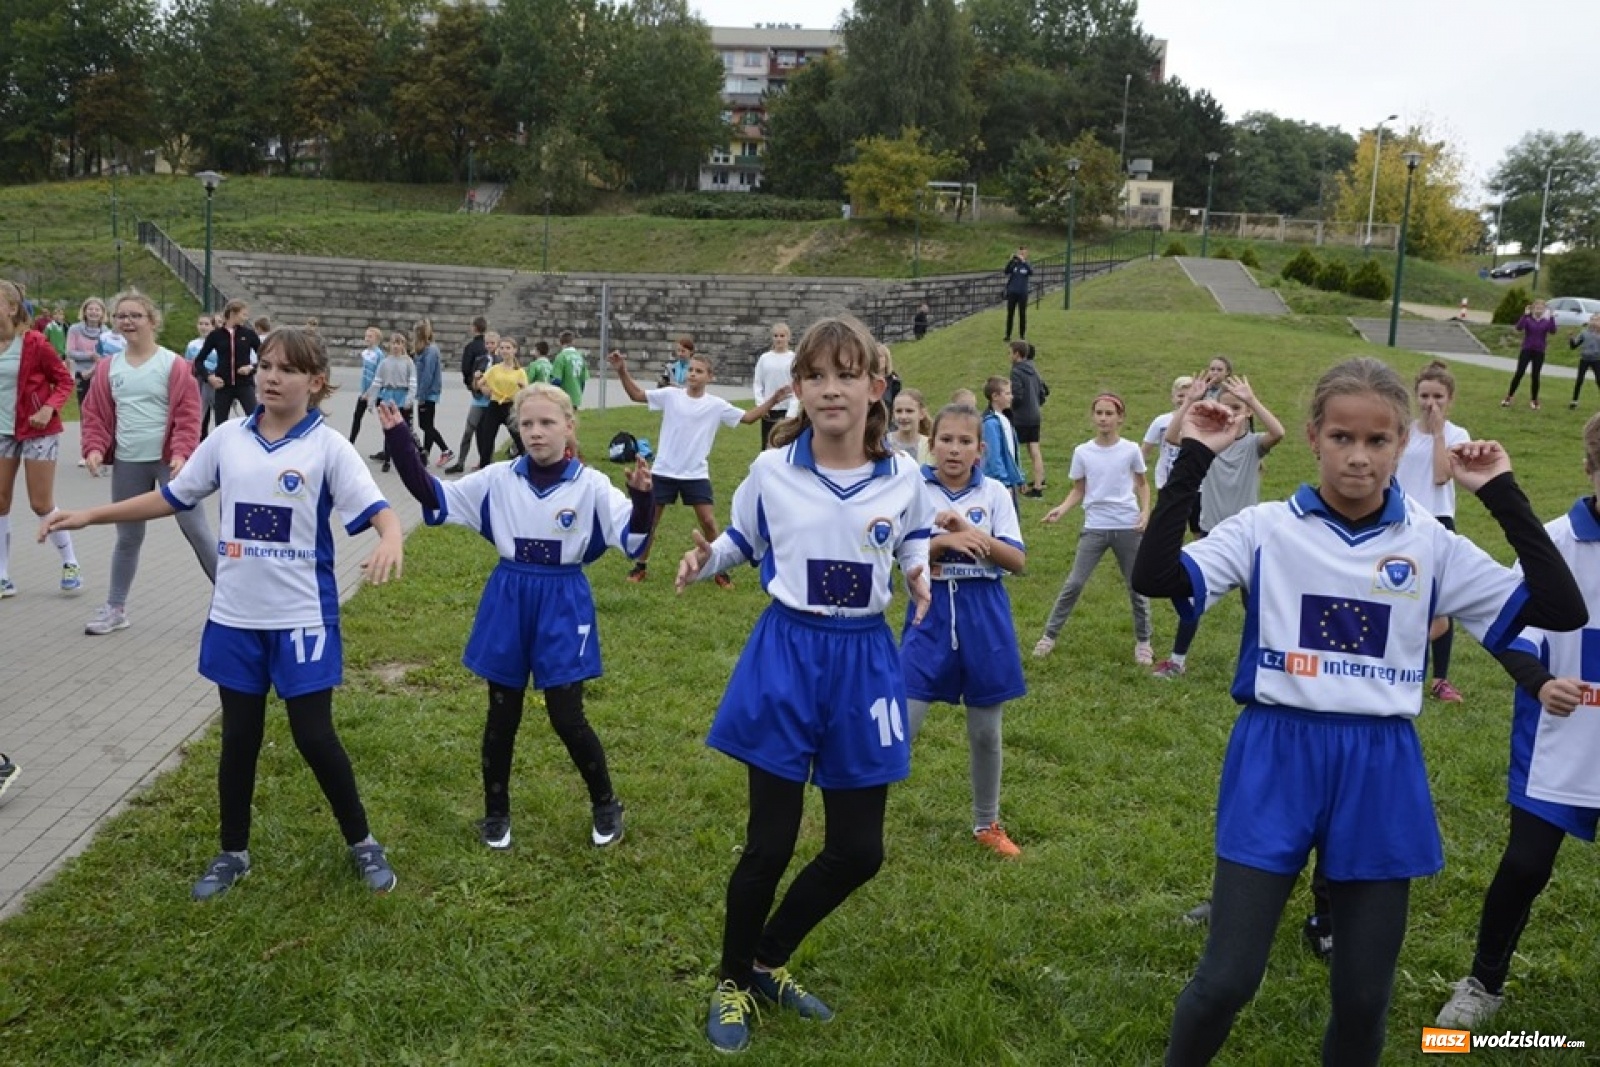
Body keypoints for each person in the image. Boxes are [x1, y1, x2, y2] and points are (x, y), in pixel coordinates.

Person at [1130, 355, 1585, 1067]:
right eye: (1343, 437)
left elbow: (1561, 609)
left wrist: (1500, 492)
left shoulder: (1430, 544)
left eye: (1378, 441)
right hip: (1276, 754)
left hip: (1380, 764)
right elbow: (1155, 575)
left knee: (1365, 996)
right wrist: (1192, 454)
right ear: (1313, 435)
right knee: (1226, 980)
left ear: (1402, 444)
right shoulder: (1264, 528)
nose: (1359, 457)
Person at [42, 326, 407, 900]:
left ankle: (362, 842)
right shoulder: (229, 438)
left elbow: (379, 511)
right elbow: (171, 497)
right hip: (235, 619)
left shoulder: (328, 447)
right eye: (265, 365)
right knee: (240, 736)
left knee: (315, 737)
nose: (269, 376)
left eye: (286, 369)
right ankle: (232, 852)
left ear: (314, 382)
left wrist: (391, 539)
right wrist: (90, 517)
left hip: (301, 621)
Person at [676, 315, 933, 1054]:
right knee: (770, 842)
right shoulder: (772, 472)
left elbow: (912, 534)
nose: (830, 389)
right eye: (815, 376)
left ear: (875, 387)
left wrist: (916, 567)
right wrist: (706, 560)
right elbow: (742, 540)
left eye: (846, 375)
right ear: (797, 388)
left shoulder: (903, 474)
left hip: (863, 658)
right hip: (787, 654)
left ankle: (765, 958)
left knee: (860, 850)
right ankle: (732, 977)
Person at [375, 383, 652, 851]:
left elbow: (634, 541)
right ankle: (495, 812)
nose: (536, 432)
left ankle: (606, 803)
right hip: (509, 596)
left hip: (563, 600)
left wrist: (643, 499)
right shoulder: (498, 479)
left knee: (568, 717)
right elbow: (432, 493)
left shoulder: (591, 486)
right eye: (527, 424)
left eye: (547, 423)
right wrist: (402, 441)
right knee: (502, 715)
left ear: (569, 426)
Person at [1435, 411, 1600, 1030]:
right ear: (1589, 469)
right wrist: (1540, 681)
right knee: (1526, 865)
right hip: (1562, 737)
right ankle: (1483, 982)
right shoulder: (1556, 541)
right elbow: (1507, 628)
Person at [901, 401, 1027, 858]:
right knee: (902, 723)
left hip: (984, 614)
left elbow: (1016, 560)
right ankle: (860, 816)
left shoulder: (994, 492)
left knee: (986, 732)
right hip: (928, 613)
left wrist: (977, 538)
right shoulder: (913, 486)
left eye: (965, 441)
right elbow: (895, 548)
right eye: (946, 440)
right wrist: (942, 541)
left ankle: (986, 822)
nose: (954, 449)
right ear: (932, 444)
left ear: (980, 449)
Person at [78, 290, 217, 635]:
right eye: (121, 316)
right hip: (128, 462)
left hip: (170, 463)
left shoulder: (173, 364)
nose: (128, 321)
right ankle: (115, 608)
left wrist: (183, 454)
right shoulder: (109, 367)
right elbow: (93, 413)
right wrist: (94, 448)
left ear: (152, 321)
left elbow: (189, 414)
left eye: (135, 315)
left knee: (197, 531)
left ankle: (236, 603)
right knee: (127, 538)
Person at [606, 348, 790, 585]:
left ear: (709, 377)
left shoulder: (716, 405)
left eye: (699, 371)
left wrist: (773, 400)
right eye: (691, 370)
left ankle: (719, 569)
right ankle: (640, 566)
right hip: (663, 470)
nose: (693, 374)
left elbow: (749, 418)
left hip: (695, 474)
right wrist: (622, 371)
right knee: (651, 521)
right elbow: (636, 395)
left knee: (709, 523)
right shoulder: (671, 395)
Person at [1150, 375, 1285, 679]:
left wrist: (1251, 400)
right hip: (1212, 535)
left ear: (1247, 412)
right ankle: (1177, 661)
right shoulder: (1209, 443)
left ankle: (1265, 668)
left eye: (1237, 408)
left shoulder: (1252, 445)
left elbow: (1278, 432)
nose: (1231, 413)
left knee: (1258, 607)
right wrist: (1189, 402)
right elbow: (1172, 437)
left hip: (1250, 540)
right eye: (1226, 407)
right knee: (1193, 600)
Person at [1033, 393, 1152, 664]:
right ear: (1092, 416)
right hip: (1095, 526)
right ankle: (1049, 636)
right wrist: (1061, 510)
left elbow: (1143, 485)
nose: (1104, 418)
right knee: (1074, 582)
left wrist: (1145, 513)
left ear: (1120, 417)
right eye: (1099, 413)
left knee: (1137, 586)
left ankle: (1144, 641)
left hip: (1127, 525)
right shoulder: (1083, 452)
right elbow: (1079, 489)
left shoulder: (1131, 450)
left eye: (1109, 413)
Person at [1395, 361, 1471, 702]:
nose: (1430, 403)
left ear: (1450, 398)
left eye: (1438, 396)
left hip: (1438, 521)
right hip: (1402, 521)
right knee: (1400, 596)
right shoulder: (1404, 432)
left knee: (1441, 604)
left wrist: (1439, 432)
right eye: (1424, 396)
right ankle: (1402, 668)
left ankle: (1439, 679)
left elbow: (1442, 476)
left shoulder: (1457, 435)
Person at [0, 279, 81, 598]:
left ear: (10, 307)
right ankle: (3, 574)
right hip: (2, 430)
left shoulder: (33, 342)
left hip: (37, 429)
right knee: (0, 501)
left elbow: (63, 381)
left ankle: (70, 562)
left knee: (40, 503)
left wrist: (48, 408)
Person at [196, 300, 261, 431]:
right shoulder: (215, 335)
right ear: (233, 313)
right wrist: (209, 378)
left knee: (255, 420)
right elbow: (199, 361)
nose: (246, 318)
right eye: (243, 314)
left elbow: (266, 358)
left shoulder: (248, 334)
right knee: (221, 425)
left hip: (245, 384)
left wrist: (251, 368)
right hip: (223, 386)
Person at [363, 332, 417, 474]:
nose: (395, 346)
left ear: (403, 345)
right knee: (389, 430)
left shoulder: (408, 362)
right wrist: (371, 401)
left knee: (405, 431)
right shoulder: (385, 362)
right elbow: (377, 382)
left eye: (398, 343)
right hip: (388, 396)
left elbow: (412, 383)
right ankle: (387, 459)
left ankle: (407, 460)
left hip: (402, 396)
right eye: (393, 343)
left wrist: (409, 399)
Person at [447, 329, 497, 474]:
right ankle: (460, 462)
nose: (489, 346)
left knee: (487, 435)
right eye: (487, 343)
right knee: (468, 431)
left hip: (492, 401)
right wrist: (476, 382)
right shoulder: (480, 360)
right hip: (478, 400)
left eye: (492, 343)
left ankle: (487, 463)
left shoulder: (499, 361)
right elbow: (472, 380)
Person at [1142, 375, 1194, 496]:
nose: (1184, 400)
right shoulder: (1161, 421)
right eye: (1180, 396)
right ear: (1173, 398)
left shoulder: (1202, 422)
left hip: (1195, 485)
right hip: (1166, 482)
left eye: (1188, 396)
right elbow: (1144, 450)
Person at [1008, 340, 1049, 496]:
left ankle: (1018, 483)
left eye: (1010, 353)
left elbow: (1017, 396)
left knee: (1013, 450)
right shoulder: (1033, 369)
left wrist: (1010, 407)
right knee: (1034, 449)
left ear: (1017, 354)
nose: (1009, 356)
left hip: (1021, 417)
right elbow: (1044, 391)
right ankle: (1039, 483)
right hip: (1035, 415)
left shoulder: (1016, 371)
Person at [411, 318, 452, 468]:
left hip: (428, 393)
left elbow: (428, 374)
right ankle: (425, 454)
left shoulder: (431, 351)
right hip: (426, 392)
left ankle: (445, 449)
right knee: (427, 424)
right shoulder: (423, 350)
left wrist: (421, 396)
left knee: (425, 425)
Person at [478, 335, 526, 463]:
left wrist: (521, 390)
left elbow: (526, 390)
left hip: (510, 406)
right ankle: (484, 466)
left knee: (519, 437)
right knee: (487, 439)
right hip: (495, 405)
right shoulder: (495, 369)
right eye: (502, 348)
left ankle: (527, 463)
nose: (505, 351)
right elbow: (481, 382)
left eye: (508, 348)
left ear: (514, 350)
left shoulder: (519, 371)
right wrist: (485, 390)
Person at [1504, 300, 1559, 410]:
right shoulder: (1528, 320)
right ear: (1533, 308)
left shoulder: (1546, 321)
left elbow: (1553, 331)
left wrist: (1552, 317)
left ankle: (1534, 400)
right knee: (1519, 373)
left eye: (1541, 307)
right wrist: (1525, 314)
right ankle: (1509, 397)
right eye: (1536, 307)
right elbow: (1519, 327)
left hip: (1539, 351)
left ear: (1544, 310)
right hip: (1527, 350)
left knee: (1535, 376)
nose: (1539, 309)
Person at [980, 376, 1025, 508]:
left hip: (1011, 481)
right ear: (995, 396)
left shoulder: (1005, 419)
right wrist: (1004, 483)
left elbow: (1013, 453)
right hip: (1000, 484)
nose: (1011, 397)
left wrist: (1019, 478)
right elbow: (994, 456)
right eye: (1007, 393)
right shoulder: (990, 423)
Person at [751, 323, 798, 449]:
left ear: (788, 337)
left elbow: (797, 386)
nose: (779, 339)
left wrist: (792, 412)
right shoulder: (764, 358)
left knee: (784, 445)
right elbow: (758, 383)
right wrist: (761, 406)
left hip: (786, 410)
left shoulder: (794, 358)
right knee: (767, 446)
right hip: (769, 410)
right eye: (776, 336)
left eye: (782, 336)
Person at [66, 297, 108, 409]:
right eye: (90, 309)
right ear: (84, 311)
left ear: (102, 313)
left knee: (100, 407)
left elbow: (106, 356)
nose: (93, 312)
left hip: (99, 373)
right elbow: (70, 352)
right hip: (82, 374)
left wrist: (93, 369)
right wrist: (90, 355)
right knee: (84, 407)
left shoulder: (106, 332)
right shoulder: (74, 329)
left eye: (97, 309)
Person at [348, 326, 384, 450]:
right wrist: (363, 391)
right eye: (366, 336)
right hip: (364, 391)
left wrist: (370, 392)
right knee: (357, 416)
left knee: (384, 420)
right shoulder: (365, 353)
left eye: (370, 336)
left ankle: (387, 451)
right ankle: (350, 443)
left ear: (377, 339)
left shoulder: (379, 354)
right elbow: (365, 374)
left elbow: (378, 375)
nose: (367, 338)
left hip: (377, 392)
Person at [185, 314, 217, 439]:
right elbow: (188, 363)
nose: (203, 327)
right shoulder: (192, 344)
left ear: (213, 326)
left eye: (207, 324)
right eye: (201, 324)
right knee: (199, 411)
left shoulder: (217, 343)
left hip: (213, 380)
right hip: (198, 380)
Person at [886, 388, 931, 464]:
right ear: (893, 414)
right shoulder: (884, 443)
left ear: (922, 414)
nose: (903, 416)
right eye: (899, 411)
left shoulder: (930, 446)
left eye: (909, 411)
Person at [1568, 313, 1600, 409]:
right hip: (1584, 359)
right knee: (1579, 380)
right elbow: (1573, 346)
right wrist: (1571, 338)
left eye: (1596, 320)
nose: (1594, 322)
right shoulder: (1584, 333)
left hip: (1596, 360)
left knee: (1599, 380)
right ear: (1589, 321)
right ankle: (1574, 401)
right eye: (1592, 320)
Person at [550, 331, 588, 410]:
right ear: (573, 342)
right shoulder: (580, 357)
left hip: (563, 397)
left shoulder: (561, 357)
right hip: (576, 396)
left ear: (560, 342)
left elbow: (557, 380)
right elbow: (583, 380)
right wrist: (579, 393)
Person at [1002, 246, 1032, 342]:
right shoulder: (1014, 264)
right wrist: (1011, 261)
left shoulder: (1027, 265)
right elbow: (1006, 271)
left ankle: (1022, 335)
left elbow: (1031, 272)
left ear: (1026, 255)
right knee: (1010, 314)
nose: (1021, 255)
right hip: (1012, 293)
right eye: (1020, 253)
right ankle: (1007, 335)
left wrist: (1024, 262)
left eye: (1023, 253)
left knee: (1022, 314)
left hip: (1022, 293)